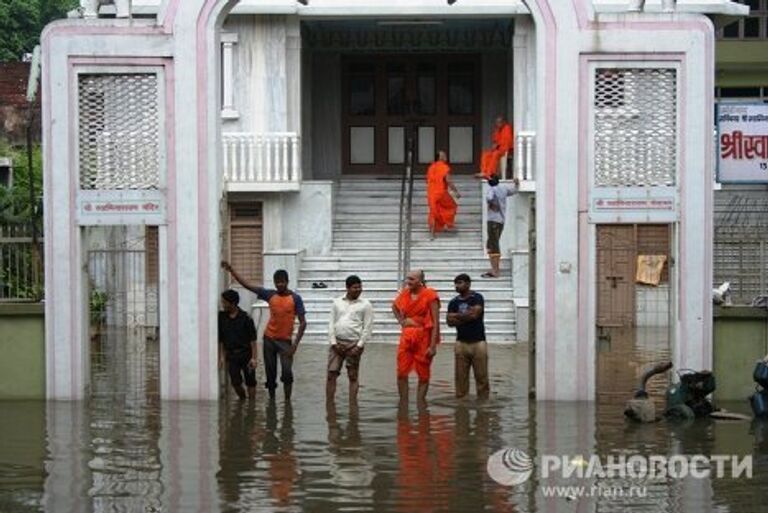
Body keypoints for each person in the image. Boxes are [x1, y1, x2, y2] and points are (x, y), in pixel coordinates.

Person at [221, 262, 307, 400]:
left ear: (287, 282)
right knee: (270, 374)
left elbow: (303, 323)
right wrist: (231, 270)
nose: (280, 285)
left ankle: (287, 402)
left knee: (287, 373)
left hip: (285, 341)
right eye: (277, 282)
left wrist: (295, 345)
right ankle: (272, 402)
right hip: (269, 339)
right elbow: (247, 285)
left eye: (282, 282)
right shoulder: (269, 295)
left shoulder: (296, 299)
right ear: (274, 283)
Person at [392, 270, 441, 405]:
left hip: (424, 337)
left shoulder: (430, 295)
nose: (408, 282)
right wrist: (401, 321)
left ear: (420, 281)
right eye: (408, 278)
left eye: (412, 279)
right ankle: (403, 402)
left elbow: (435, 321)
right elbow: (394, 307)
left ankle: (421, 403)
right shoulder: (405, 293)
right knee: (401, 372)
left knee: (423, 374)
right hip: (406, 337)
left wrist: (432, 346)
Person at [327, 275, 375, 402]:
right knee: (331, 374)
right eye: (355, 287)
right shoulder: (337, 302)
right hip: (336, 342)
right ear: (347, 288)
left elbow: (368, 326)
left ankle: (353, 405)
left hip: (354, 344)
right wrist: (333, 343)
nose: (358, 290)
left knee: (353, 376)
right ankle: (329, 403)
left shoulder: (366, 304)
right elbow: (331, 323)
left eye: (360, 287)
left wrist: (359, 346)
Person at [446, 274, 489, 399]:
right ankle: (461, 406)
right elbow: (449, 322)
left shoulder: (477, 297)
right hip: (461, 343)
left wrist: (457, 316)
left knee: (482, 377)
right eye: (456, 283)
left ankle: (483, 405)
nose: (457, 286)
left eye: (460, 283)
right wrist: (467, 315)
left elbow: (475, 315)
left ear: (468, 284)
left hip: (478, 342)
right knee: (460, 378)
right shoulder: (453, 302)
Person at [218, 289, 258, 400]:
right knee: (235, 382)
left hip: (246, 354)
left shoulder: (246, 318)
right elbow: (221, 339)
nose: (223, 305)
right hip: (232, 356)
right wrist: (221, 356)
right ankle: (243, 399)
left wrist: (254, 358)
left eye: (225, 302)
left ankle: (251, 406)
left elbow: (253, 340)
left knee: (250, 382)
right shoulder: (221, 318)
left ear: (233, 303)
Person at [483, 175, 519, 278]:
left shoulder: (492, 189)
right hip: (501, 221)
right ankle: (494, 269)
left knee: (493, 245)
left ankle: (495, 271)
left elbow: (489, 198)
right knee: (491, 244)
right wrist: (516, 183)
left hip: (493, 220)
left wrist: (492, 204)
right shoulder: (503, 189)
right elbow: (514, 191)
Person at [426, 150, 461, 239]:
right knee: (452, 206)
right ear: (440, 157)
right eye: (444, 155)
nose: (446, 156)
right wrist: (456, 192)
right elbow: (448, 181)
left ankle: (432, 233)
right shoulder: (444, 167)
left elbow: (428, 180)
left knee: (433, 212)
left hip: (431, 193)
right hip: (441, 192)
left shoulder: (431, 167)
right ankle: (448, 224)